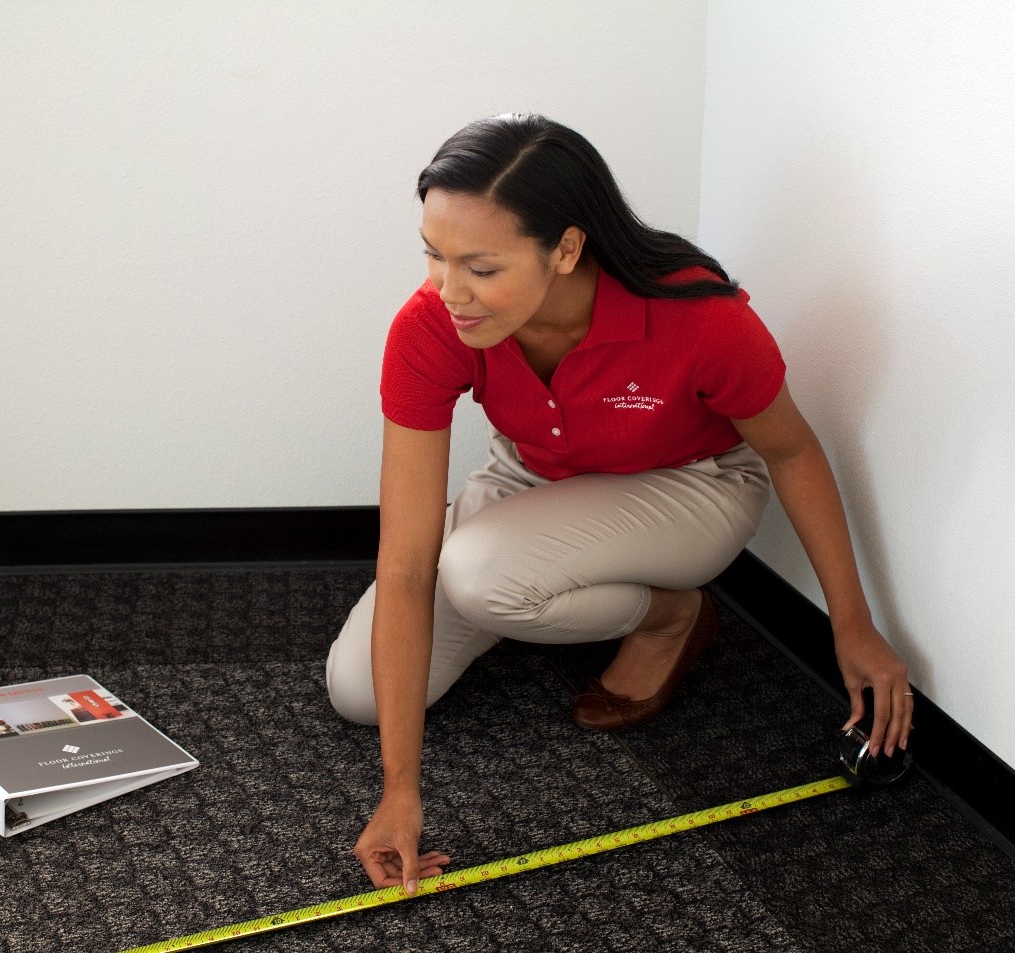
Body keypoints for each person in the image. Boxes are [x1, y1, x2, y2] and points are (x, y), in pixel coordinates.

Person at [324, 113, 912, 895]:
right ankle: (588, 593)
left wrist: (852, 622)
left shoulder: (700, 316)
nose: (448, 291)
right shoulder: (432, 326)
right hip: (538, 479)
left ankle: (670, 615)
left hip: (691, 487)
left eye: (481, 267)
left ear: (566, 249)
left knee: (476, 572)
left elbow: (793, 451)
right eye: (433, 256)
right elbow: (402, 563)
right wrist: (401, 790)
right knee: (357, 691)